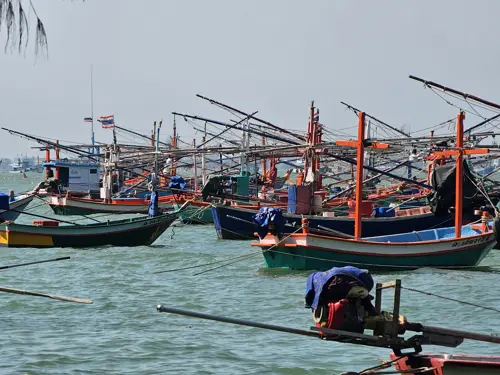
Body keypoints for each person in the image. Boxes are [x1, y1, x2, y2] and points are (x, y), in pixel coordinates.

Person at [305, 266, 406, 334]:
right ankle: (371, 316)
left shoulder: (318, 281)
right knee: (363, 302)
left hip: (340, 282)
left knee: (362, 302)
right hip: (341, 282)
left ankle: (371, 316)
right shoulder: (325, 281)